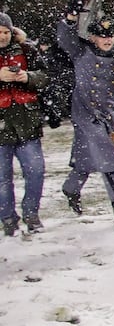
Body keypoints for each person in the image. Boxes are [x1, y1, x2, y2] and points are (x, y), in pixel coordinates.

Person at [55, 5, 114, 217]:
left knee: (86, 157)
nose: (108, 40)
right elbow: (65, 37)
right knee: (105, 153)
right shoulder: (81, 50)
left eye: (111, 36)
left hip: (106, 112)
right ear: (93, 37)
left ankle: (71, 188)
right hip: (84, 111)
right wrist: (71, 18)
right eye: (103, 36)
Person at [0, 13, 47, 235]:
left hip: (27, 122)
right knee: (2, 178)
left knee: (36, 171)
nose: (3, 36)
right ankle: (8, 219)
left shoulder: (27, 50)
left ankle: (31, 213)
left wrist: (28, 77)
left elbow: (46, 76)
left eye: (6, 32)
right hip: (1, 124)